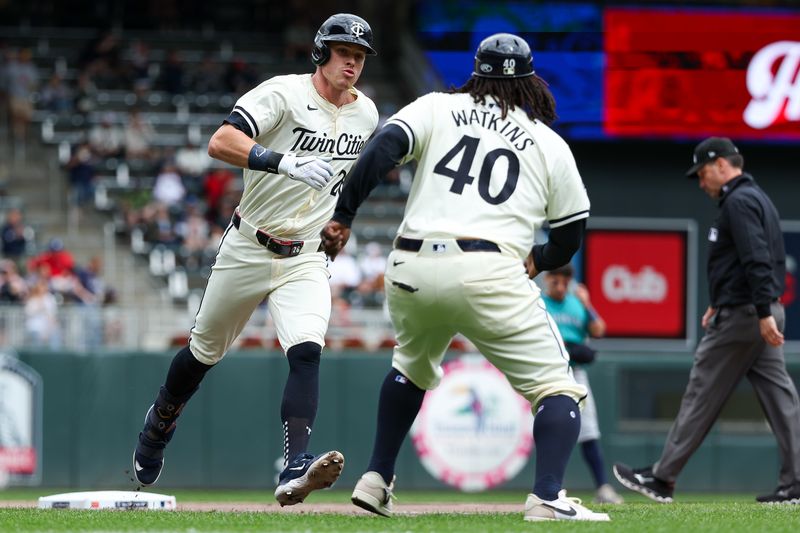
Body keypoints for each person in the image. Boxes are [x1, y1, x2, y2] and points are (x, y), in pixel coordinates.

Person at [321, 33, 609, 522]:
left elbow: (381, 150)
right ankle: (547, 496)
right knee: (557, 387)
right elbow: (570, 235)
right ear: (529, 80)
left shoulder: (436, 106)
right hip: (489, 268)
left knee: (410, 366)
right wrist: (538, 258)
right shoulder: (548, 141)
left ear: (476, 71)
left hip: (411, 265)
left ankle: (374, 480)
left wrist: (344, 215)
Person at [131, 13, 379, 508]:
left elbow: (345, 177)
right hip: (248, 244)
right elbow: (220, 142)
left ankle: (295, 464)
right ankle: (160, 422)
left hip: (305, 255)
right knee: (202, 354)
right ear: (321, 52)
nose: (351, 62)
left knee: (307, 351)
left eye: (359, 56)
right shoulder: (283, 93)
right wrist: (282, 160)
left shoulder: (365, 114)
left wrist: (338, 219)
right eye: (343, 51)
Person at [614, 137, 800, 505]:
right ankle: (796, 484)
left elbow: (757, 259)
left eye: (702, 173)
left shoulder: (739, 200)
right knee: (782, 399)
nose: (701, 182)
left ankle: (662, 477)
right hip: (753, 309)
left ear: (720, 165)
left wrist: (760, 311)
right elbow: (743, 261)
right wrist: (725, 302)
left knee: (702, 391)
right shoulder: (757, 197)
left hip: (747, 315)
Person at [542, 264, 623, 504]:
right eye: (556, 279)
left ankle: (603, 488)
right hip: (547, 371)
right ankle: (550, 488)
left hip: (576, 372)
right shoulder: (538, 302)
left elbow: (599, 330)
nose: (561, 285)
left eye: (565, 281)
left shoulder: (576, 303)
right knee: (548, 428)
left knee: (589, 430)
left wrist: (587, 304)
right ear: (547, 278)